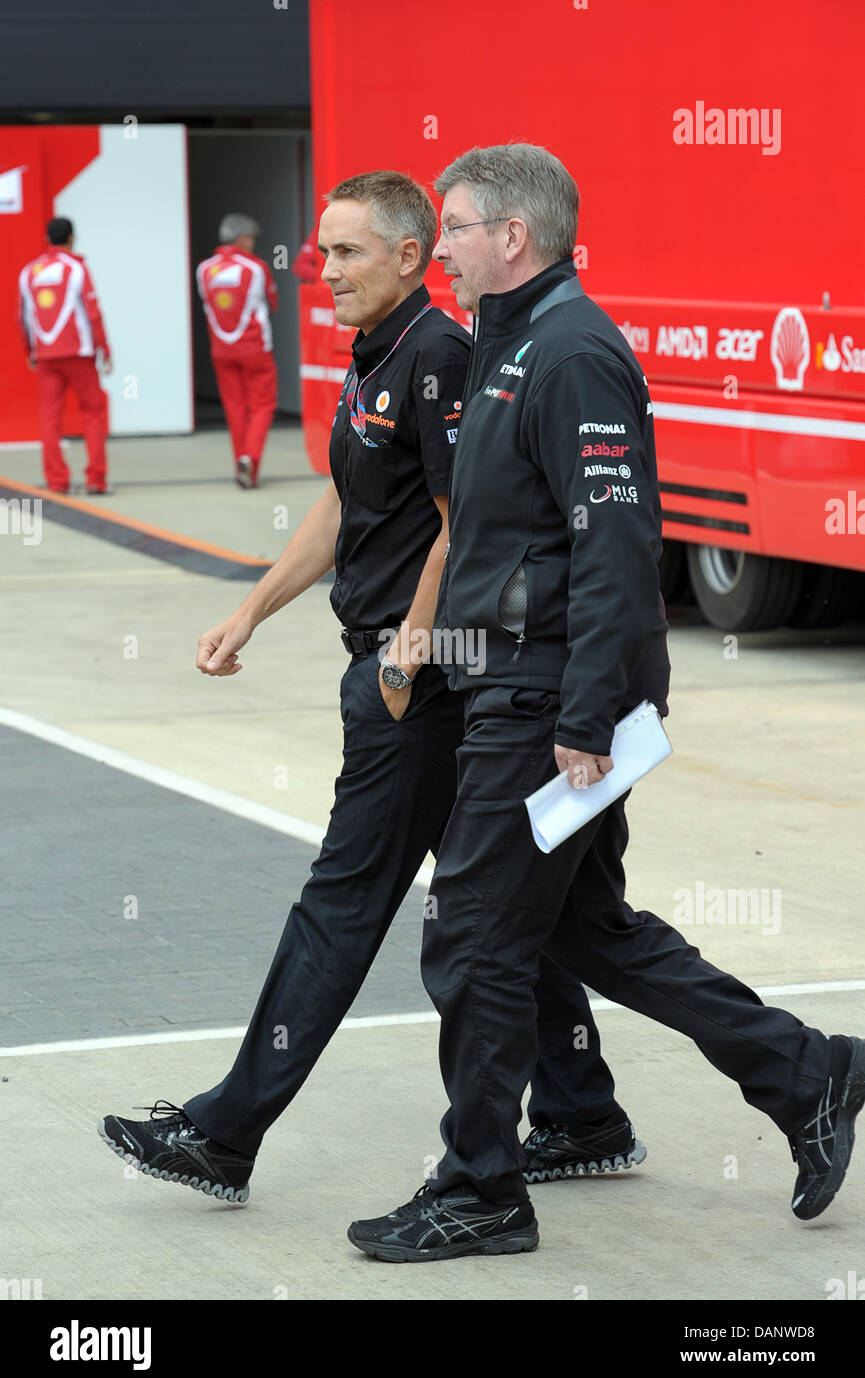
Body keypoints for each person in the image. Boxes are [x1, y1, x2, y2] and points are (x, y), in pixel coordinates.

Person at [347, 144, 865, 1262]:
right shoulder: (507, 340)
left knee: (473, 938)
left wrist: (586, 717)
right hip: (513, 687)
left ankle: (479, 1187)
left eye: (456, 228)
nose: (441, 247)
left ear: (513, 238)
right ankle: (805, 1070)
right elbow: (506, 535)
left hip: (544, 708)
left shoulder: (571, 351)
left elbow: (617, 542)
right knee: (590, 931)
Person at [98, 171, 643, 1203]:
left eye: (347, 252)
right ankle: (582, 1109)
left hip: (422, 689)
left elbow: (458, 516)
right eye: (321, 252)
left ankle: (227, 1132)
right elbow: (346, 505)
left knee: (341, 906)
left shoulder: (437, 356)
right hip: (405, 675)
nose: (324, 270)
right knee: (501, 915)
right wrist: (250, 609)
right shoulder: (376, 357)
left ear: (404, 258)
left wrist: (407, 650)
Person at [18, 216, 111, 495]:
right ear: (72, 239)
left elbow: (22, 318)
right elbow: (93, 312)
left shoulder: (29, 272)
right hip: (79, 353)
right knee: (93, 413)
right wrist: (104, 348)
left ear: (47, 239)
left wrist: (30, 351)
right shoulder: (77, 269)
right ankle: (96, 479)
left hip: (46, 355)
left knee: (49, 418)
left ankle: (57, 481)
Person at [196, 214, 279, 489]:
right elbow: (273, 300)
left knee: (234, 408)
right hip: (255, 348)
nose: (253, 244)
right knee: (262, 404)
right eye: (252, 238)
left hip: (221, 349)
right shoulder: (255, 267)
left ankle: (242, 467)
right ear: (243, 239)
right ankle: (250, 459)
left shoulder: (204, 269)